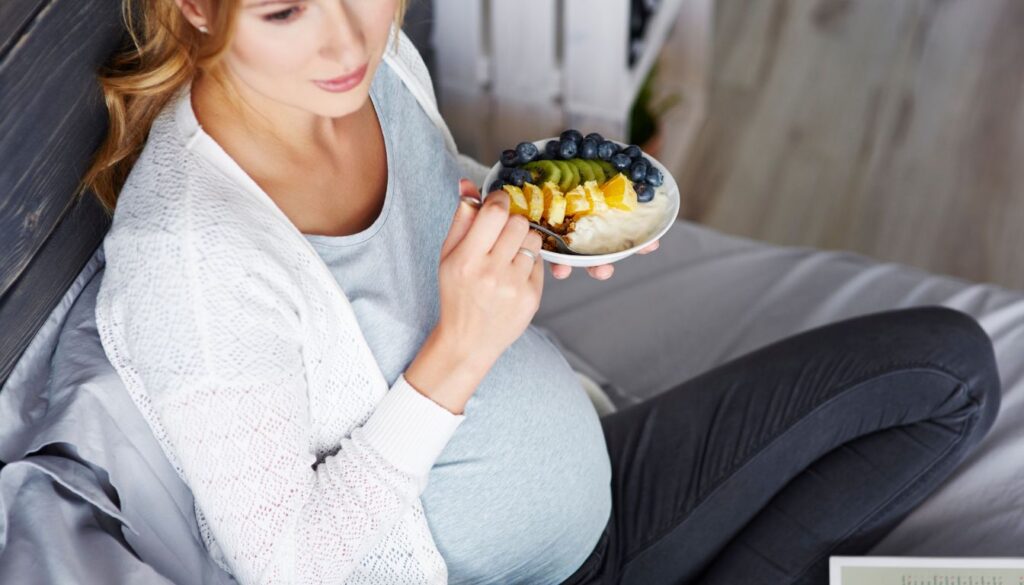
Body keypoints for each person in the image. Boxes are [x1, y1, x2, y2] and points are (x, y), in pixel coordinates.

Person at [80, 1, 1002, 584]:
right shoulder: (192, 263)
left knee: (949, 370)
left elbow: (438, 194)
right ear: (195, 7)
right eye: (285, 10)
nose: (348, 37)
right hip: (524, 571)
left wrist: (537, 217)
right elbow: (291, 564)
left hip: (602, 483)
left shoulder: (372, 70)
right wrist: (460, 354)